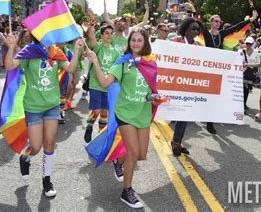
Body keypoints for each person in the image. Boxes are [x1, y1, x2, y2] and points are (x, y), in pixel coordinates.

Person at [4, 34, 84, 198]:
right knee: (36, 146)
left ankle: (46, 180)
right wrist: (11, 47)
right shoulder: (29, 51)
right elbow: (10, 66)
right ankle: (25, 157)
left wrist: (76, 50)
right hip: (33, 107)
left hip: (52, 106)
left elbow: (70, 68)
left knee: (49, 143)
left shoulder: (57, 53)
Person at [87, 28, 156, 209]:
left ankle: (118, 161)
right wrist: (95, 62)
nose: (135, 43)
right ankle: (127, 191)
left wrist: (154, 98)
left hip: (143, 113)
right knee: (133, 153)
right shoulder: (123, 62)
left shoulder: (151, 63)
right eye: (133, 40)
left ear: (145, 43)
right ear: (129, 42)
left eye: (139, 40)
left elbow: (150, 91)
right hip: (125, 113)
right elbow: (104, 83)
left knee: (141, 154)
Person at [201, 10, 258, 134]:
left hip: (219, 68)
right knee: (207, 94)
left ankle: (210, 122)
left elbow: (236, 27)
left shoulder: (222, 34)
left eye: (220, 21)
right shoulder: (206, 33)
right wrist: (193, 11)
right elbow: (197, 23)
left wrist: (251, 20)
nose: (218, 23)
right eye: (216, 21)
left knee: (217, 95)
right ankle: (204, 115)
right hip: (207, 68)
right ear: (211, 22)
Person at [169, 18, 204, 156]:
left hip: (188, 85)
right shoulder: (174, 42)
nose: (195, 31)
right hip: (172, 83)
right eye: (193, 28)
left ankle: (176, 142)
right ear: (185, 29)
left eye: (197, 29)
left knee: (185, 114)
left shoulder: (198, 47)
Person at [83, 24, 120, 143]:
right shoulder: (98, 47)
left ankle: (100, 137)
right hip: (95, 84)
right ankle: (89, 126)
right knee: (97, 110)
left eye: (111, 33)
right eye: (107, 33)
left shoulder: (115, 51)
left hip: (107, 86)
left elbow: (119, 66)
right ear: (102, 35)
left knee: (105, 112)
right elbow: (91, 36)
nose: (109, 35)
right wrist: (92, 22)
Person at [238, 36, 260, 110]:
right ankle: (241, 103)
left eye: (250, 43)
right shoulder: (241, 51)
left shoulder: (256, 52)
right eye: (247, 43)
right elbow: (237, 61)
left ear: (252, 44)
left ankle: (244, 103)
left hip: (250, 74)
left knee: (247, 89)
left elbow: (258, 63)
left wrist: (257, 72)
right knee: (242, 88)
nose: (248, 45)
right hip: (242, 73)